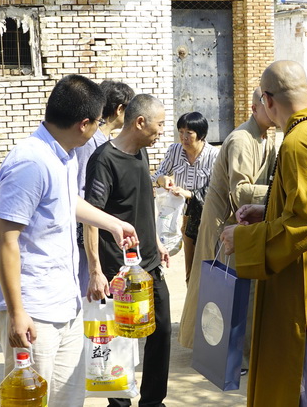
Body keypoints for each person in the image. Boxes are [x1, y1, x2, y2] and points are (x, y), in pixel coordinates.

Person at [0, 74, 139, 407]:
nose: (98, 130)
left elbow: (69, 202)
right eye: (98, 123)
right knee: (34, 400)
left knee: (68, 399)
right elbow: (5, 241)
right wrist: (16, 312)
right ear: (84, 124)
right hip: (32, 308)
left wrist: (114, 224)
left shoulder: (63, 156)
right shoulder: (30, 162)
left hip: (64, 302)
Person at [220, 61, 307, 407]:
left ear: (267, 101)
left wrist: (242, 239)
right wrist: (266, 211)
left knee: (303, 381)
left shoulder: (299, 142)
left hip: (301, 286)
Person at [84, 94, 170, 407]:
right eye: (159, 124)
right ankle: (119, 403)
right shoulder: (104, 159)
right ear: (140, 122)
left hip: (149, 263)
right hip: (117, 270)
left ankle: (152, 401)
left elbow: (142, 201)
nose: (162, 130)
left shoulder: (141, 154)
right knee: (119, 339)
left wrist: (157, 241)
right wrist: (95, 270)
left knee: (159, 331)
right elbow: (91, 218)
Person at [178, 87, 276, 349]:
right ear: (256, 108)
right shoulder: (242, 140)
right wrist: (282, 193)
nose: (274, 109)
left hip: (242, 221)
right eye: (268, 105)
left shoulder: (266, 137)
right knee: (220, 289)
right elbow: (242, 191)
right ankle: (217, 351)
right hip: (224, 223)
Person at [74, 80, 135, 299]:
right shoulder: (90, 143)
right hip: (86, 229)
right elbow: (82, 192)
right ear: (120, 109)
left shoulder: (105, 141)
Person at [153, 111, 219, 282]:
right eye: (181, 132)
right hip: (178, 215)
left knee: (205, 264)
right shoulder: (174, 150)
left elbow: (215, 189)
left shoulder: (213, 155)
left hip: (203, 216)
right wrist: (163, 179)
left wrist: (188, 193)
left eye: (189, 133)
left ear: (201, 135)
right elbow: (157, 175)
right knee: (188, 268)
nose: (183, 137)